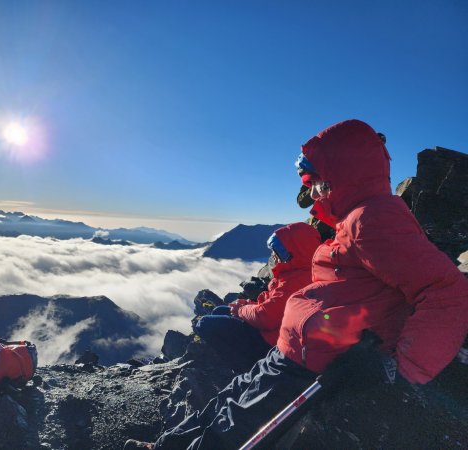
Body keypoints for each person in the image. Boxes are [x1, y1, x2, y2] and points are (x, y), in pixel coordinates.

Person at [124, 119, 468, 450]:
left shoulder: (372, 219)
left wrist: (395, 368)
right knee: (227, 403)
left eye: (320, 182)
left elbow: (447, 291)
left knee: (236, 426)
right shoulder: (354, 220)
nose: (315, 192)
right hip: (292, 351)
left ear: (344, 174)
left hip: (310, 365)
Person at [194, 223, 320, 372]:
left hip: (268, 341)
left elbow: (267, 317)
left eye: (280, 251)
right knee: (220, 310)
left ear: (297, 252)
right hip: (270, 331)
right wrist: (249, 304)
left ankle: (244, 369)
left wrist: (242, 310)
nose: (275, 255)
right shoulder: (294, 274)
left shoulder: (297, 281)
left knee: (205, 324)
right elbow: (273, 306)